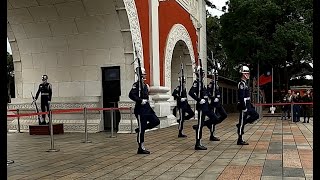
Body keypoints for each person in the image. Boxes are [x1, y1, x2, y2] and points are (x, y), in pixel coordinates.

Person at [129, 67, 160, 154]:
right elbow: (131, 95)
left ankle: (139, 129)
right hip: (140, 110)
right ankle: (140, 147)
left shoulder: (145, 85)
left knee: (156, 121)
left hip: (147, 108)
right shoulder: (136, 85)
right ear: (140, 75)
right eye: (143, 74)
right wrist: (140, 100)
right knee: (142, 130)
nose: (145, 75)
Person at [189, 66, 219, 150]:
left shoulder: (201, 83)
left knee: (215, 118)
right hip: (202, 107)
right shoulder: (197, 83)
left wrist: (213, 98)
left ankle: (200, 125)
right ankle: (198, 144)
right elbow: (191, 92)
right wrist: (199, 100)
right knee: (200, 125)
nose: (203, 75)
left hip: (207, 106)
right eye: (202, 73)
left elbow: (206, 94)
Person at [236, 65, 259, 145]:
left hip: (248, 104)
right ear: (243, 74)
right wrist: (244, 107)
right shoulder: (241, 84)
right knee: (242, 121)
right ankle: (240, 139)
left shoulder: (245, 83)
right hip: (244, 104)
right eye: (246, 73)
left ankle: (240, 124)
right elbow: (241, 97)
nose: (248, 74)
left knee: (256, 115)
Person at [207, 68, 227, 141]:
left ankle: (209, 123)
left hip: (218, 104)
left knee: (224, 115)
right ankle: (212, 135)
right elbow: (207, 92)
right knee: (213, 118)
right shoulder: (211, 84)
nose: (217, 77)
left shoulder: (216, 84)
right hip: (214, 104)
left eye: (217, 75)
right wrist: (212, 98)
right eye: (216, 75)